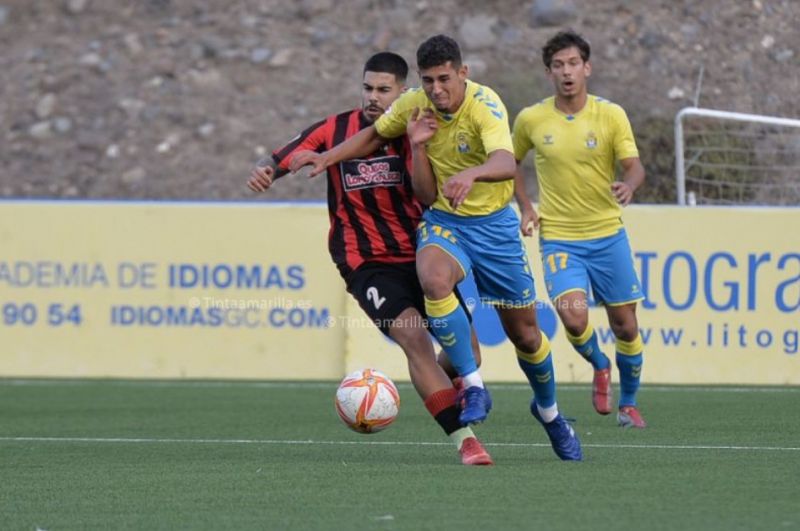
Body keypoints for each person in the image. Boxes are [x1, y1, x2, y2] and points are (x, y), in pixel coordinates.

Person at [291, 36, 582, 461]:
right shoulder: (414, 105)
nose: (436, 90)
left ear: (462, 73)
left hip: (495, 229)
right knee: (433, 276)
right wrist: (329, 158)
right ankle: (473, 386)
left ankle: (550, 413)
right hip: (446, 222)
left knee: (526, 334)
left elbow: (506, 162)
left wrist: (474, 175)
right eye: (428, 81)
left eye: (445, 79)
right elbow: (373, 135)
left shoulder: (485, 104)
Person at [247, 52, 493, 465]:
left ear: (402, 92)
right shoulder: (335, 129)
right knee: (414, 338)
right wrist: (267, 171)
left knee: (468, 350)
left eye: (384, 90)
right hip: (366, 262)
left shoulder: (417, 127)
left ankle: (435, 381)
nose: (373, 98)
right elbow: (285, 154)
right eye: (368, 88)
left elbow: (426, 196)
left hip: (421, 253)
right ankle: (465, 441)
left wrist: (418, 149)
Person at [512, 30, 647, 428]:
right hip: (560, 236)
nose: (567, 72)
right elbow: (510, 162)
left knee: (625, 325)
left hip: (607, 234)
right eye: (558, 65)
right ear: (549, 72)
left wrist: (630, 185)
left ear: (587, 67)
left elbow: (634, 165)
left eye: (573, 64)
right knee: (573, 319)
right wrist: (525, 206)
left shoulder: (611, 115)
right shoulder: (532, 119)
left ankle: (630, 404)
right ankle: (600, 363)